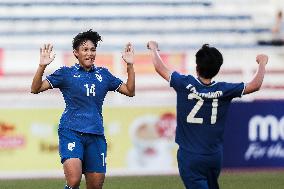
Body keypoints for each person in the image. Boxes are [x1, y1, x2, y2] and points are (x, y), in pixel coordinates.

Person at [147, 41, 268, 189]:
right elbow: (255, 84)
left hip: (189, 156)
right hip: (214, 157)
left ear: (197, 67)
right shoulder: (225, 89)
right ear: (217, 69)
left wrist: (153, 48)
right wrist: (262, 63)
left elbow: (159, 67)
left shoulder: (184, 83)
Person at [31, 29, 135, 189]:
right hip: (71, 131)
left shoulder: (104, 74)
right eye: (85, 49)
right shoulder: (66, 73)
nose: (90, 53)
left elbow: (130, 91)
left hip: (96, 134)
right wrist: (41, 66)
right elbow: (35, 88)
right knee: (73, 180)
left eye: (93, 49)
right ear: (76, 53)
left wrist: (129, 65)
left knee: (95, 186)